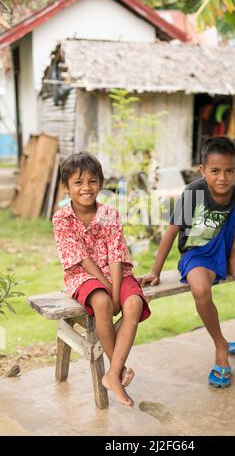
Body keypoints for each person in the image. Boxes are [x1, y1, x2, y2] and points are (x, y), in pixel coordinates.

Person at [141, 136, 235, 388]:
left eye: (229, 171)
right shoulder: (193, 193)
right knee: (200, 289)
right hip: (197, 254)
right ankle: (221, 345)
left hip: (228, 250)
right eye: (215, 171)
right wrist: (155, 271)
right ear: (203, 170)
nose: (223, 178)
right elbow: (172, 232)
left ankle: (234, 263)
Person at [52, 151, 151, 407]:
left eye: (92, 181)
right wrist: (107, 289)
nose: (86, 188)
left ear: (101, 183)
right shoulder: (62, 218)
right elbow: (81, 257)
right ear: (66, 188)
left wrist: (116, 289)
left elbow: (116, 254)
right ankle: (118, 371)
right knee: (103, 303)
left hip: (116, 271)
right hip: (82, 274)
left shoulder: (109, 213)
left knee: (133, 304)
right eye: (78, 182)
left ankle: (112, 373)